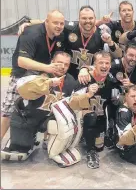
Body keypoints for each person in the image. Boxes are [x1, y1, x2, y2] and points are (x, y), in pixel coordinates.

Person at [1, 52, 91, 166]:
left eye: (66, 64)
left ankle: (53, 146)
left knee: (64, 122)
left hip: (51, 118)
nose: (63, 67)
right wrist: (48, 83)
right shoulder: (36, 73)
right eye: (59, 63)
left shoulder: (70, 81)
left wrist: (87, 95)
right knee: (19, 148)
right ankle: (25, 139)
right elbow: (21, 89)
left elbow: (73, 104)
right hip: (30, 116)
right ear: (52, 62)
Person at [1, 10, 66, 142]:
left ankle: (46, 140)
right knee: (8, 110)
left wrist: (29, 21)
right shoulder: (32, 34)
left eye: (61, 23)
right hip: (22, 75)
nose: (59, 26)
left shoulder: (59, 33)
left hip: (42, 74)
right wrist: (47, 68)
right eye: (55, 23)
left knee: (47, 105)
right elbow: (22, 61)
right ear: (46, 22)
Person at [73, 51, 122, 169]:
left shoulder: (111, 80)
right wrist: (87, 93)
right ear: (94, 64)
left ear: (110, 65)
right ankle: (90, 151)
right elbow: (74, 103)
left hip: (100, 115)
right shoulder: (85, 78)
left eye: (107, 63)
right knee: (91, 117)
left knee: (100, 147)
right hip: (82, 115)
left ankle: (108, 132)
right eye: (101, 63)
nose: (104, 66)